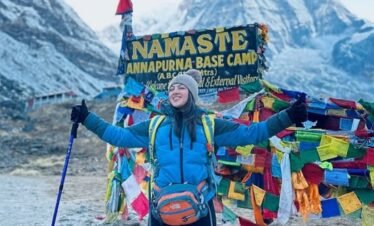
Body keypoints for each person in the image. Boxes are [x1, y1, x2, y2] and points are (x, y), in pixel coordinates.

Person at [71, 69, 307, 226]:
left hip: (201, 207)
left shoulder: (210, 124)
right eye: (172, 88)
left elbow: (253, 133)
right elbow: (119, 136)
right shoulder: (154, 126)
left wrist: (288, 116)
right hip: (161, 208)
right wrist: (87, 118)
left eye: (181, 88)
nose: (175, 91)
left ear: (191, 94)